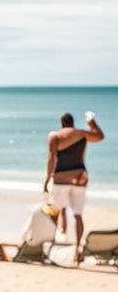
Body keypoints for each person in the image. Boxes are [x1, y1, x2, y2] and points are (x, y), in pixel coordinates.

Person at [45, 109, 104, 260]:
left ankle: (52, 244)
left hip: (61, 177)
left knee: (57, 211)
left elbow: (52, 159)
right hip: (80, 176)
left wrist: (47, 179)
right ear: (72, 122)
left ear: (62, 123)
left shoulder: (55, 135)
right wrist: (91, 122)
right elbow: (100, 136)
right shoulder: (82, 133)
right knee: (78, 215)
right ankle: (78, 248)